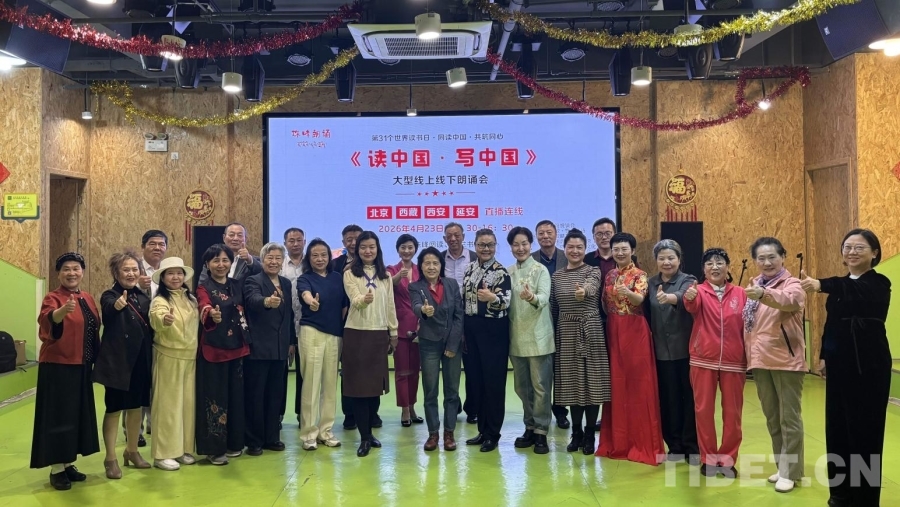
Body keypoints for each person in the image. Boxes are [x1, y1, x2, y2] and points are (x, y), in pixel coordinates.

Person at [799, 229, 891, 507]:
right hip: (839, 365)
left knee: (866, 433)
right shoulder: (840, 288)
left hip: (869, 367)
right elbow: (831, 325)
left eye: (859, 247)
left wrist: (820, 283)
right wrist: (823, 356)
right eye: (847, 247)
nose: (852, 252)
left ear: (874, 253)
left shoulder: (878, 283)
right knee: (837, 429)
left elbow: (855, 290)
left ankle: (865, 499)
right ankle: (840, 494)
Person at [31, 252, 100, 491]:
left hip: (81, 366)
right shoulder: (53, 298)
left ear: (82, 272)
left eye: (76, 268)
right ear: (59, 274)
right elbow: (47, 320)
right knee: (58, 418)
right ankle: (56, 469)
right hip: (58, 367)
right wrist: (61, 312)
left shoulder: (87, 297)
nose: (72, 273)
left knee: (74, 417)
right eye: (66, 269)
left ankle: (68, 462)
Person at [742, 236, 806, 493]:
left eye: (772, 257)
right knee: (772, 418)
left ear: (783, 257)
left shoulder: (792, 284)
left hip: (785, 361)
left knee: (789, 419)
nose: (767, 262)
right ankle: (783, 466)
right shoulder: (754, 283)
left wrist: (763, 294)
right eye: (761, 258)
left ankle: (792, 472)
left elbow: (790, 301)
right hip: (759, 360)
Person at [596, 233, 664, 466]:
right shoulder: (609, 275)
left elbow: (639, 300)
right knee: (616, 383)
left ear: (632, 251)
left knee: (638, 384)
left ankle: (642, 443)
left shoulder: (640, 275)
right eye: (616, 249)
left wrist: (628, 293)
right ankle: (618, 441)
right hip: (613, 329)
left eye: (624, 249)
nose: (620, 253)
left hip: (634, 330)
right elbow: (605, 304)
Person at [683, 248, 747, 478]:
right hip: (702, 360)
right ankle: (708, 459)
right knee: (703, 411)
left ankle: (728, 460)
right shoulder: (697, 291)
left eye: (719, 262)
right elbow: (690, 305)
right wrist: (689, 297)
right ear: (704, 269)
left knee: (733, 413)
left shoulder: (741, 293)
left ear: (728, 267)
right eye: (709, 263)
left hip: (734, 361)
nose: (715, 267)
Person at [93, 250, 153, 479]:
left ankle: (132, 451)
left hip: (140, 361)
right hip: (117, 364)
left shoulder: (144, 297)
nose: (130, 273)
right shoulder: (109, 295)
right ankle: (110, 458)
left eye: (134, 269)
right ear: (116, 273)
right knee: (114, 409)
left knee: (136, 408)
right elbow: (109, 310)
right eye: (125, 270)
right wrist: (118, 305)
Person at [550, 229, 610, 455]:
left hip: (590, 329)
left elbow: (592, 287)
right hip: (565, 331)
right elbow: (554, 308)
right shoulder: (556, 276)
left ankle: (589, 435)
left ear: (585, 250)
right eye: (571, 247)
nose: (575, 251)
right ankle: (576, 433)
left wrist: (583, 292)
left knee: (592, 383)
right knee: (572, 384)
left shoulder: (593, 271)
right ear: (564, 249)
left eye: (579, 247)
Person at [342, 231, 398, 457]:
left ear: (377, 249)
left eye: (371, 247)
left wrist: (393, 332)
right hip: (356, 334)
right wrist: (363, 301)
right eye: (363, 247)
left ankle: (370, 433)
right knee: (358, 389)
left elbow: (390, 305)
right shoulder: (349, 274)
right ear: (358, 250)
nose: (368, 251)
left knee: (374, 389)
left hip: (378, 334)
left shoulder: (386, 276)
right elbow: (354, 298)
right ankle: (364, 437)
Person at [195, 244, 250, 465]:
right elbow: (204, 306)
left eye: (225, 260)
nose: (221, 264)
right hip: (213, 351)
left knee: (236, 398)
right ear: (207, 264)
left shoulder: (237, 285)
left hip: (237, 349)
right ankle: (214, 449)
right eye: (215, 260)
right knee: (214, 399)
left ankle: (234, 443)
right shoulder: (203, 287)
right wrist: (211, 315)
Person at [645, 240, 699, 466]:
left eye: (671, 258)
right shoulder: (650, 283)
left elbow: (683, 296)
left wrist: (668, 298)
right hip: (660, 352)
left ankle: (692, 446)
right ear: (656, 260)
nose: (666, 262)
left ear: (679, 259)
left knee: (689, 399)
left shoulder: (688, 280)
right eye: (662, 258)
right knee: (668, 400)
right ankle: (675, 445)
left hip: (685, 351)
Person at [243, 243, 296, 456]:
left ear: (282, 261)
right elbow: (252, 300)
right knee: (256, 396)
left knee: (276, 395)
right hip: (259, 348)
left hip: (280, 348)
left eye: (278, 258)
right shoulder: (253, 281)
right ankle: (254, 441)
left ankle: (272, 437)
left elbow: (289, 315)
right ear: (262, 260)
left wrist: (291, 342)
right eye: (269, 258)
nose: (274, 262)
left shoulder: (286, 283)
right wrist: (267, 301)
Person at [409, 247, 464, 452]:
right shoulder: (415, 287)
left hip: (451, 344)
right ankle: (433, 434)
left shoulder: (451, 284)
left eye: (435, 263)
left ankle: (449, 433)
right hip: (429, 344)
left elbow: (459, 316)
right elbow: (416, 306)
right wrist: (423, 311)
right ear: (421, 266)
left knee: (452, 391)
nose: (431, 267)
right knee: (430, 391)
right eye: (427, 263)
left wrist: (452, 344)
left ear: (441, 265)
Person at [462, 229, 512, 453]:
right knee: (477, 382)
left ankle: (493, 433)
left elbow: (507, 301)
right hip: (471, 330)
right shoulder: (470, 268)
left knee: (493, 383)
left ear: (495, 246)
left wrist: (493, 297)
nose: (486, 249)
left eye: (490, 245)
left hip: (494, 331)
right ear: (475, 246)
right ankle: (482, 430)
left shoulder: (501, 271)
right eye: (482, 245)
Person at [296, 238, 348, 450]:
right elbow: (305, 294)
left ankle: (325, 431)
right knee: (311, 383)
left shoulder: (337, 278)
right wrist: (312, 301)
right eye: (315, 255)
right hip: (312, 332)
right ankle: (309, 434)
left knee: (329, 384)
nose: (319, 259)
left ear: (329, 257)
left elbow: (344, 306)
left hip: (335, 335)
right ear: (309, 258)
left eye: (323, 255)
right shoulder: (304, 278)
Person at [149, 257, 200, 471]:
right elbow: (156, 317)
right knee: (167, 407)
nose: (176, 277)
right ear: (162, 278)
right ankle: (163, 454)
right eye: (170, 273)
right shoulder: (160, 300)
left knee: (187, 406)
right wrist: (164, 320)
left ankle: (183, 449)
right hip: (168, 356)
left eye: (179, 273)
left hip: (190, 357)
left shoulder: (191, 298)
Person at [507, 227, 554, 455]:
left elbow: (544, 298)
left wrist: (532, 297)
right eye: (516, 244)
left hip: (539, 337)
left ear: (530, 244)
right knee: (522, 387)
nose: (520, 248)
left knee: (541, 387)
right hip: (516, 337)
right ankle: (529, 426)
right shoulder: (507, 272)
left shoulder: (540, 270)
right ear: (511, 247)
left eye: (524, 243)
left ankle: (541, 431)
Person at [332, 225, 381, 430]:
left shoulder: (378, 268)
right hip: (345, 323)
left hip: (372, 323)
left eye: (357, 239)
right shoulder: (336, 264)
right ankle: (350, 414)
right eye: (349, 239)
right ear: (343, 242)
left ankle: (373, 413)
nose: (353, 243)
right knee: (350, 371)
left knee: (373, 371)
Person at [131, 229, 168, 446]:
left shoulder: (166, 271)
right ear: (143, 246)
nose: (157, 248)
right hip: (138, 336)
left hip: (161, 336)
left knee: (156, 381)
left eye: (161, 244)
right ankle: (134, 430)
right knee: (138, 382)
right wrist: (137, 286)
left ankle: (154, 423)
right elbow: (120, 293)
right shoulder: (134, 269)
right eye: (152, 244)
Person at [441, 221, 477, 424]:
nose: (453, 239)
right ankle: (452, 405)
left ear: (464, 236)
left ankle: (472, 408)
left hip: (472, 318)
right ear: (444, 238)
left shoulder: (475, 257)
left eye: (457, 235)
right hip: (447, 321)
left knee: (472, 366)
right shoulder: (438, 259)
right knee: (450, 368)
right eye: (449, 236)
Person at [387, 234, 422, 426]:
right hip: (399, 327)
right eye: (403, 247)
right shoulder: (391, 270)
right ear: (398, 250)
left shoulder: (420, 269)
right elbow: (386, 287)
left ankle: (413, 406)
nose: (407, 251)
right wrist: (396, 278)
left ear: (415, 249)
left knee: (415, 371)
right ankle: (404, 410)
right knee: (402, 371)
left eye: (410, 247)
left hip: (419, 327)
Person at [281, 227, 305, 428]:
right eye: (291, 240)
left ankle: (302, 413)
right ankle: (277, 415)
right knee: (281, 375)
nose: (295, 244)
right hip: (284, 327)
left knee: (304, 374)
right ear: (285, 243)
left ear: (304, 242)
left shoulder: (312, 263)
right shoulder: (279, 264)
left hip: (307, 326)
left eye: (299, 240)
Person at [198, 222, 262, 287]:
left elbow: (263, 274)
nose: (235, 238)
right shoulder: (213, 260)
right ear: (224, 238)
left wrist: (249, 259)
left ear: (246, 239)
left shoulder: (252, 261)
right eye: (231, 235)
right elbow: (202, 285)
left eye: (240, 235)